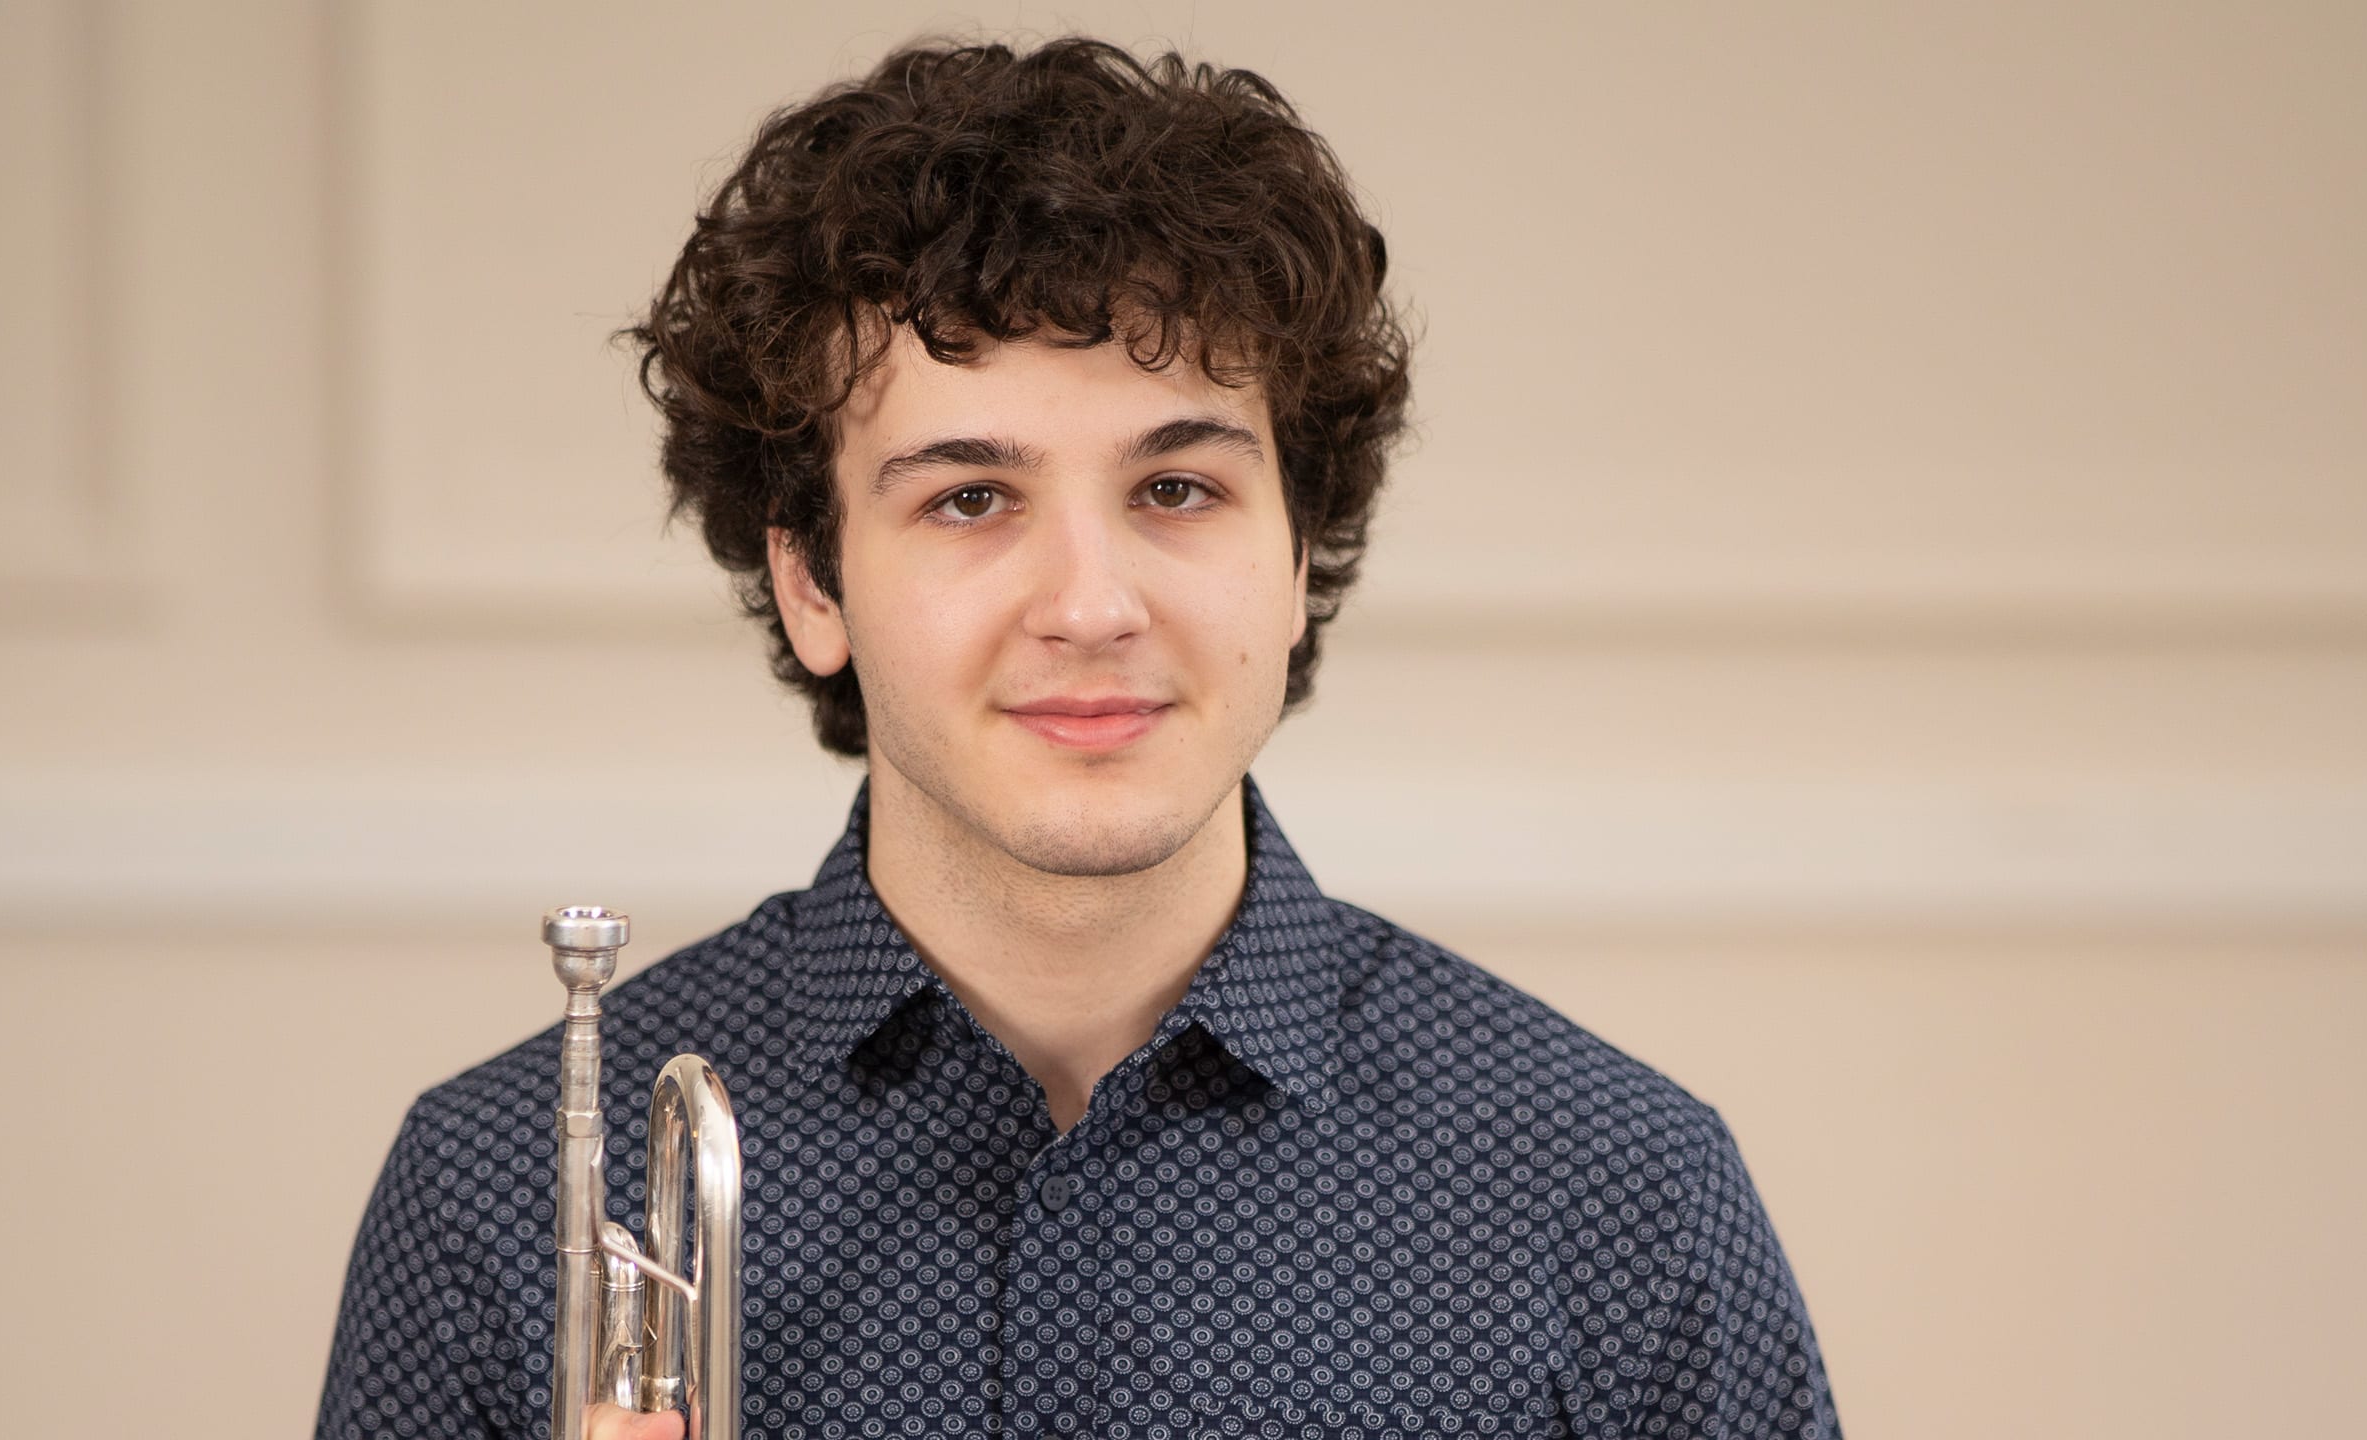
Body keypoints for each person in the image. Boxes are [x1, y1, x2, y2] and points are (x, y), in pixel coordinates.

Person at [316, 36, 1840, 1440]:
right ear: (812, 582)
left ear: (1297, 558)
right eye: (971, 499)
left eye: (1177, 489)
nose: (1092, 606)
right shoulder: (491, 1202)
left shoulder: (1623, 1202)